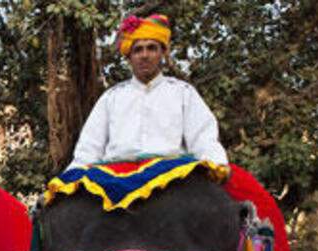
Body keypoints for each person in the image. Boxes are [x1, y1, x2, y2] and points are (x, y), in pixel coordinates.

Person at [70, 14, 228, 168]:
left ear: (163, 53)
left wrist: (216, 164)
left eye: (151, 48)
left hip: (172, 174)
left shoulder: (183, 93)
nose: (144, 55)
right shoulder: (112, 97)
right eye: (138, 50)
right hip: (117, 177)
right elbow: (89, 148)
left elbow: (203, 138)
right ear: (129, 57)